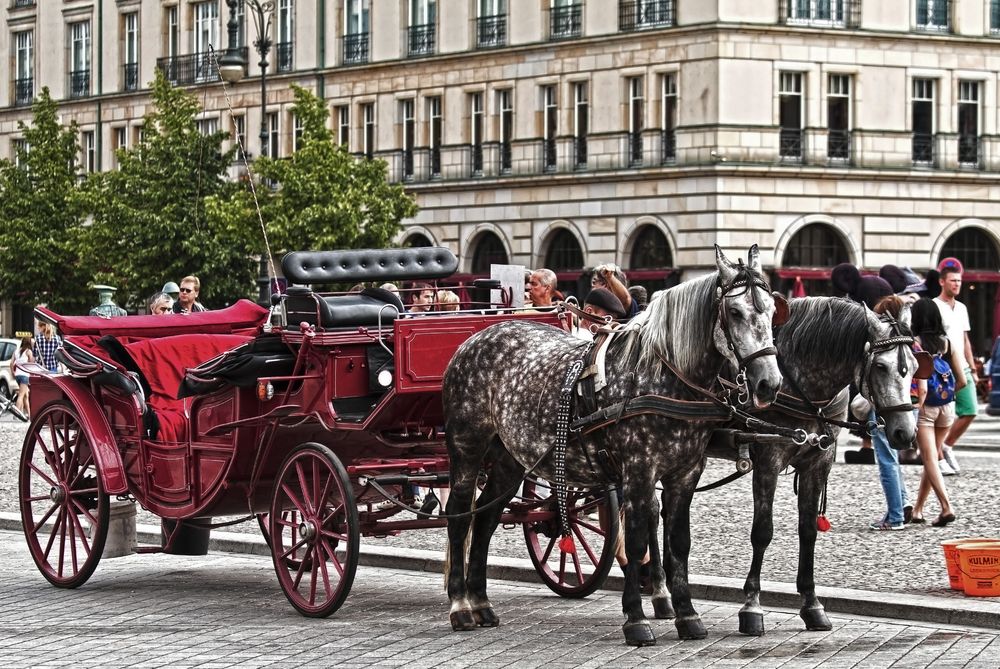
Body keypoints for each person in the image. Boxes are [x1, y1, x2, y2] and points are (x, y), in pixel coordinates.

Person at [910, 297, 961, 527]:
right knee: (931, 459)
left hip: (925, 408)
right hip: (947, 407)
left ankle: (946, 507)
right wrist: (948, 396)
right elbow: (961, 379)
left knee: (930, 458)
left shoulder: (914, 343)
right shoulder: (946, 343)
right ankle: (918, 510)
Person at [867, 294, 912, 530]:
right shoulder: (907, 339)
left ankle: (895, 517)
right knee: (894, 460)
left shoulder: (885, 343)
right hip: (908, 406)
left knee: (886, 461)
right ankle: (903, 503)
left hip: (888, 407)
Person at [934, 257, 977, 475]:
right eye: (953, 281)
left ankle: (947, 445)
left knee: (970, 410)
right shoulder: (935, 306)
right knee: (943, 413)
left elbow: (965, 339)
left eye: (959, 281)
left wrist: (973, 367)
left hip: (963, 367)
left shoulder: (961, 308)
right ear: (942, 282)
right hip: (944, 368)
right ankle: (938, 456)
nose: (957, 284)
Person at [11, 336, 34, 419]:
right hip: (25, 375)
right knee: (21, 395)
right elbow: (31, 364)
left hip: (17, 375)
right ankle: (16, 414)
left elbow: (11, 363)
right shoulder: (28, 351)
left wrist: (13, 373)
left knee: (26, 395)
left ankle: (29, 415)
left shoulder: (16, 351)